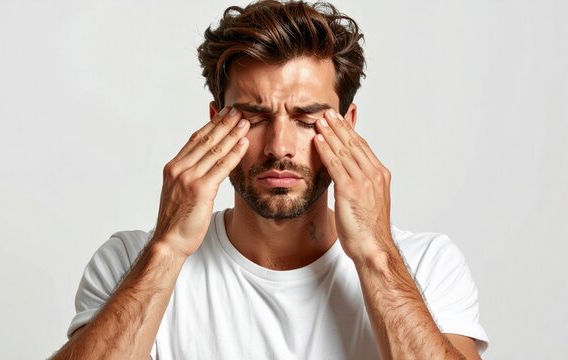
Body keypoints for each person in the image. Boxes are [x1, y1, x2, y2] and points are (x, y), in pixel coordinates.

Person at [53, 1, 489, 359]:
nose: (279, 145)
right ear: (214, 124)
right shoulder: (131, 261)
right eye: (255, 116)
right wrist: (167, 249)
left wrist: (375, 255)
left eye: (306, 118)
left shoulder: (424, 265)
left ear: (348, 128)